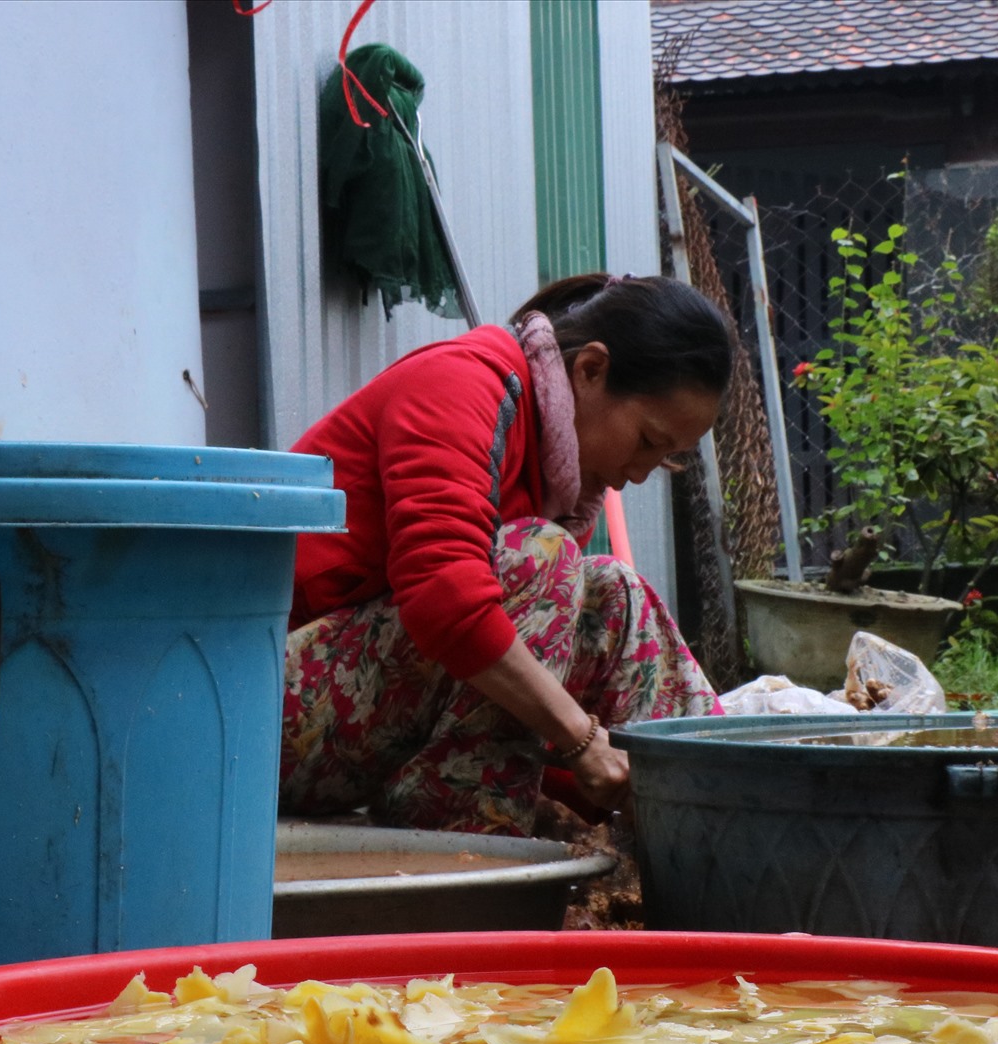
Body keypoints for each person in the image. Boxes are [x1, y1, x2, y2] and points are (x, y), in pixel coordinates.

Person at [279, 273, 731, 835]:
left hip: (360, 726)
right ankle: (466, 846)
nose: (640, 473)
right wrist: (583, 740)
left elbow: (501, 716)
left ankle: (721, 816)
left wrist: (602, 789)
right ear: (590, 369)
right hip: (258, 725)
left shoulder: (551, 474)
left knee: (617, 593)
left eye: (666, 457)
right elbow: (446, 599)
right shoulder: (461, 380)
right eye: (647, 441)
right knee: (541, 556)